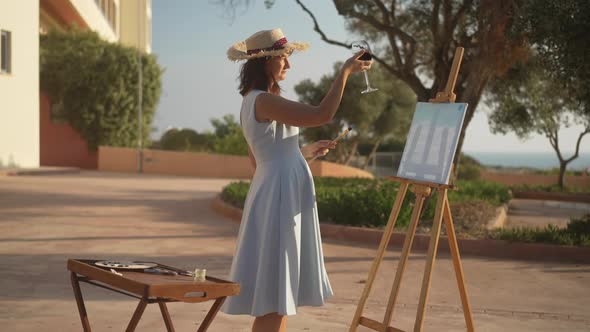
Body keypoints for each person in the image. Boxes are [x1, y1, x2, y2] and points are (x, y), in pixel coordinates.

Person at [220, 28, 372, 332]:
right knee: (276, 295)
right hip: (279, 196)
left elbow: (260, 159)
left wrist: (302, 152)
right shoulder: (263, 100)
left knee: (279, 292)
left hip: (273, 189)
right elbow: (322, 114)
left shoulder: (254, 101)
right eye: (283, 59)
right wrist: (345, 72)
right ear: (265, 63)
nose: (288, 66)